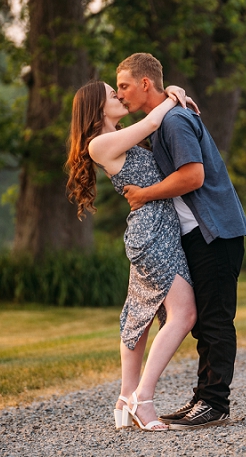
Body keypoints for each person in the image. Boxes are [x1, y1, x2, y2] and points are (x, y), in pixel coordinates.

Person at [116, 52, 246, 430]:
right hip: (198, 235)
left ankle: (214, 403)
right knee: (204, 320)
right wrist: (174, 92)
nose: (121, 94)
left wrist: (144, 195)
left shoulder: (173, 121)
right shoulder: (162, 120)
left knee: (215, 320)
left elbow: (193, 176)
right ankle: (203, 398)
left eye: (124, 85)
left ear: (145, 84)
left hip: (216, 233)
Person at [66, 81, 197, 432]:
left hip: (155, 231)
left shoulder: (119, 135)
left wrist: (168, 90)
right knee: (183, 315)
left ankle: (126, 398)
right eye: (113, 94)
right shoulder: (100, 144)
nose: (120, 97)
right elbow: (153, 123)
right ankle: (144, 398)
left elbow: (151, 124)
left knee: (138, 316)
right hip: (152, 234)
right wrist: (172, 95)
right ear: (96, 107)